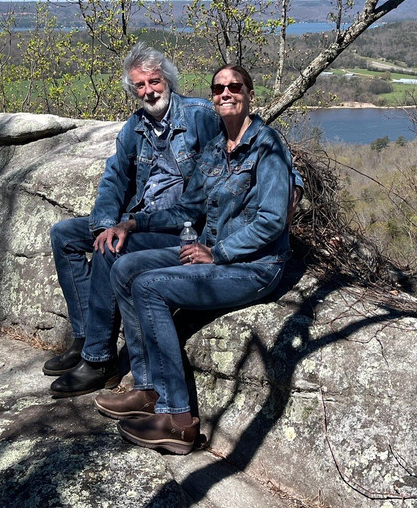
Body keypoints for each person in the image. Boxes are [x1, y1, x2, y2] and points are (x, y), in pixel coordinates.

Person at [96, 64, 295, 454]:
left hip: (252, 267)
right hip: (210, 251)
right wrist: (132, 223)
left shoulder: (268, 146)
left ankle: (179, 420)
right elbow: (186, 210)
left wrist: (217, 253)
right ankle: (147, 387)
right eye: (218, 88)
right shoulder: (215, 148)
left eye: (234, 86)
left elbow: (272, 220)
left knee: (149, 286)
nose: (225, 93)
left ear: (249, 93)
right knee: (124, 268)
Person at [45, 44, 224, 397]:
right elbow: (115, 177)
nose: (149, 91)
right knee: (65, 234)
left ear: (168, 80)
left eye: (154, 82)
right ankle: (84, 338)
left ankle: (100, 360)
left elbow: (210, 188)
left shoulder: (200, 116)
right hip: (136, 221)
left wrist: (124, 228)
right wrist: (103, 224)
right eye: (139, 86)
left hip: (181, 230)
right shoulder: (136, 126)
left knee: (113, 248)